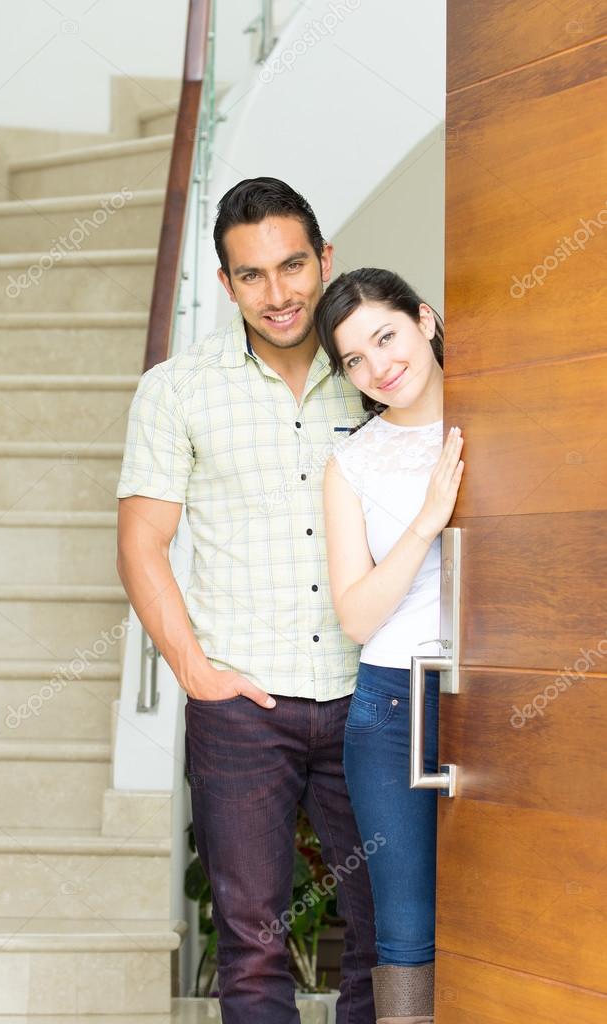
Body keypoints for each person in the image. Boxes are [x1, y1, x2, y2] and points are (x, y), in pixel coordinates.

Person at [116, 178, 378, 1023]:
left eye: (294, 264)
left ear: (325, 259)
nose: (280, 292)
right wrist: (194, 671)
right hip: (242, 706)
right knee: (253, 940)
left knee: (386, 930)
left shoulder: (375, 373)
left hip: (366, 695)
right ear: (225, 284)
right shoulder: (176, 388)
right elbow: (141, 543)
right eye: (253, 275)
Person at [314, 268, 464, 1024]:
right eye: (354, 360)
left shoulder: (508, 411)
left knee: (512, 910)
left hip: (496, 690)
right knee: (405, 935)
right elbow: (357, 616)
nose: (379, 367)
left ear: (425, 320)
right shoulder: (352, 464)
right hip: (394, 707)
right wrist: (426, 521)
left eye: (386, 336)